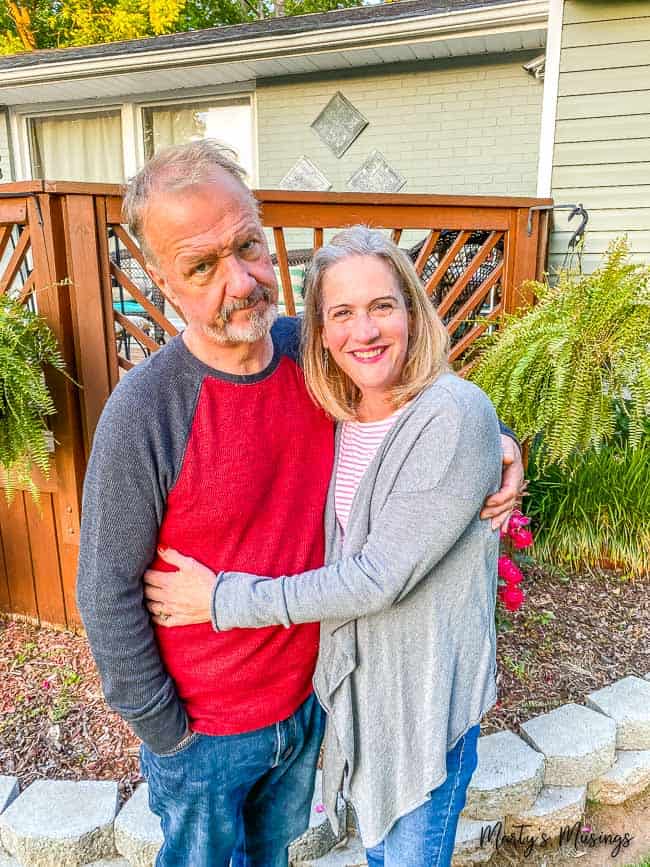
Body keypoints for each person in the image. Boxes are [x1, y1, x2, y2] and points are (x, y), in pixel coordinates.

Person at [77, 140, 522, 867]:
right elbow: (103, 590)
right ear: (163, 280)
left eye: (248, 246)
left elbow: (413, 408)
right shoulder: (147, 410)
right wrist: (166, 731)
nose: (242, 280)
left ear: (263, 230)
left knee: (275, 856)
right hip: (203, 733)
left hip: (307, 706)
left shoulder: (311, 357)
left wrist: (498, 442)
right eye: (202, 265)